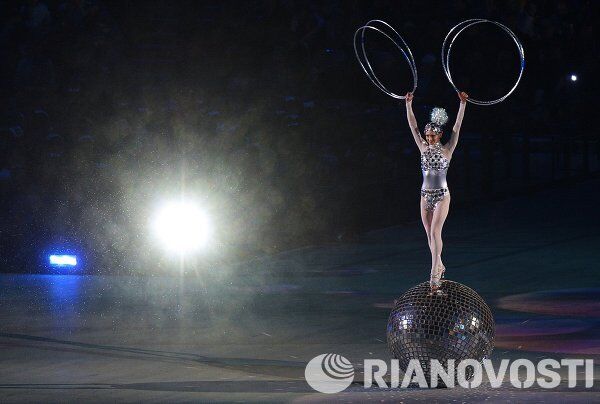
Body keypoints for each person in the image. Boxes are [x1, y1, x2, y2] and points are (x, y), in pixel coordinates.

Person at [404, 90, 469, 292]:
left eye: (432, 136)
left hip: (442, 195)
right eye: (427, 136)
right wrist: (408, 104)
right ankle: (439, 264)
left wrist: (463, 104)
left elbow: (457, 128)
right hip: (425, 196)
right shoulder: (422, 147)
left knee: (435, 231)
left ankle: (434, 276)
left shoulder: (448, 149)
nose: (429, 138)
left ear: (440, 134)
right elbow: (413, 126)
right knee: (428, 236)